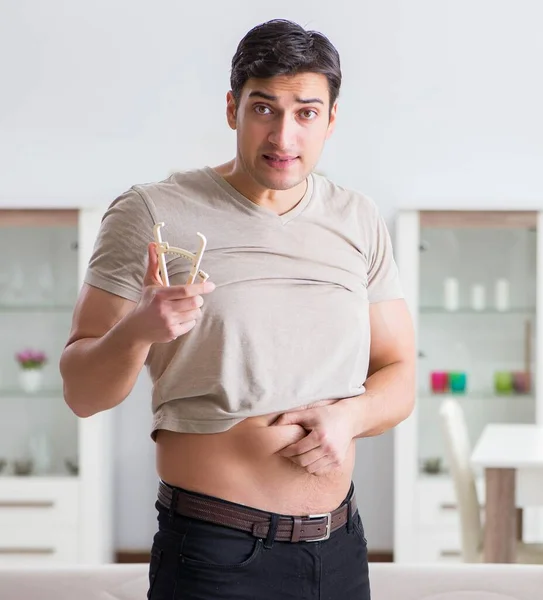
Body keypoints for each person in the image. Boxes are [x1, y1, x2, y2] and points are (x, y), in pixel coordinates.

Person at [60, 18, 415, 600]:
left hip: (339, 551)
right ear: (232, 109)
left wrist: (349, 418)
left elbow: (400, 375)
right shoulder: (150, 213)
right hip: (213, 554)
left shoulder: (358, 219)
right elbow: (81, 391)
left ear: (330, 120)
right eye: (263, 109)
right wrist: (137, 334)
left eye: (305, 112)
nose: (283, 137)